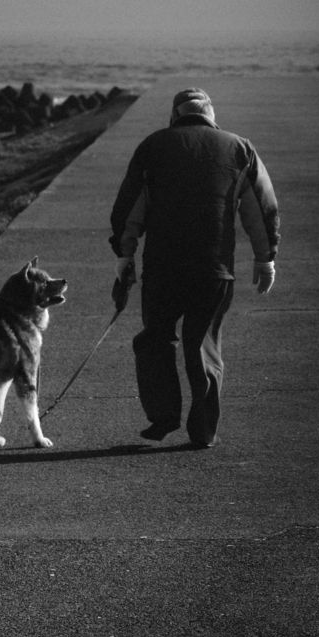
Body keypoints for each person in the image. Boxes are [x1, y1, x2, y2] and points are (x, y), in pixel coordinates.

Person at [109, 87, 280, 448]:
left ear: (174, 115)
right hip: (213, 269)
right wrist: (266, 258)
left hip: (162, 268)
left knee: (155, 339)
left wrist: (124, 254)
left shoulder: (152, 146)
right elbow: (261, 207)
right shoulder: (239, 148)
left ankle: (163, 416)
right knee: (202, 346)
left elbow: (130, 207)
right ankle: (202, 431)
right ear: (211, 116)